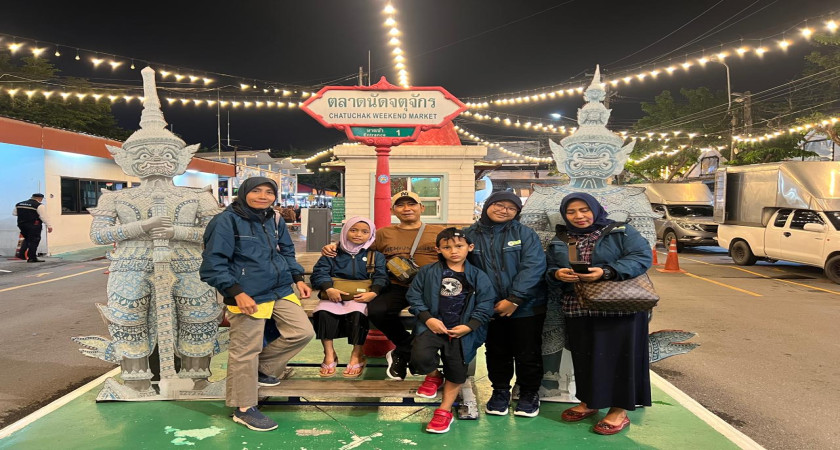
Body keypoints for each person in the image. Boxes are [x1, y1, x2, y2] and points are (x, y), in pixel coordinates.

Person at [200, 177, 315, 432]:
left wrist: (298, 278)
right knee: (245, 351)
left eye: (268, 192)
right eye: (256, 191)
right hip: (247, 293)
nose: (263, 196)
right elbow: (213, 264)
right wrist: (236, 292)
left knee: (302, 332)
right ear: (243, 193)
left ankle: (262, 369)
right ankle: (244, 408)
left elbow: (286, 252)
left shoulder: (274, 219)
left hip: (279, 289)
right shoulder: (226, 221)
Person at [546, 192, 653, 435]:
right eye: (571, 212)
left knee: (621, 358)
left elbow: (641, 257)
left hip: (620, 307)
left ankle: (619, 410)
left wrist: (606, 271)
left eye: (584, 210)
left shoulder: (621, 231)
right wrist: (557, 274)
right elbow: (550, 267)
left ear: (595, 209)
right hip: (579, 307)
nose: (578, 216)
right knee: (585, 357)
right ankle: (590, 401)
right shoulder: (561, 238)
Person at [322, 190, 445, 380]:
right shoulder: (383, 234)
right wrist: (334, 246)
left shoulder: (438, 232)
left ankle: (403, 354)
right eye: (400, 205)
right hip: (396, 285)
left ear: (421, 208)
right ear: (392, 211)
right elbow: (356, 246)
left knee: (447, 314)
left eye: (411, 204)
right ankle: (408, 348)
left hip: (430, 287)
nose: (406, 208)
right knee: (377, 310)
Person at [464, 191, 547, 417]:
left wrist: (514, 299)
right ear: (487, 205)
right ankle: (500, 391)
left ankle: (529, 393)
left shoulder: (525, 234)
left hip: (527, 306)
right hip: (490, 307)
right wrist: (485, 301)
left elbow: (534, 266)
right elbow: (463, 268)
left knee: (528, 352)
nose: (504, 210)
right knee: (496, 351)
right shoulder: (469, 235)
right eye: (499, 205)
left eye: (511, 208)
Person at [407, 228, 495, 433]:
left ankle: (444, 411)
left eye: (459, 246)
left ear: (469, 247)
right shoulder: (427, 272)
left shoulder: (478, 276)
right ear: (438, 249)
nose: (453, 251)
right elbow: (414, 296)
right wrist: (428, 319)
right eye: (447, 247)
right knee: (419, 356)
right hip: (432, 326)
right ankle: (434, 375)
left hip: (461, 332)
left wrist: (470, 326)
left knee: (456, 371)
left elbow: (486, 303)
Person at [310, 217, 388, 377]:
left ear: (371, 235)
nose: (358, 234)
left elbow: (381, 276)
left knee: (358, 314)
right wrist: (328, 288)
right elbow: (319, 272)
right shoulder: (332, 253)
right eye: (353, 230)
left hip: (361, 296)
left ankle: (356, 354)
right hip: (333, 295)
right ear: (345, 231)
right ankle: (329, 353)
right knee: (323, 313)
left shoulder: (374, 256)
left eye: (364, 232)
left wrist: (373, 292)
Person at [13, 193, 52, 262]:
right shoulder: (39, 205)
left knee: (27, 239)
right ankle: (32, 258)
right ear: (39, 198)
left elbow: (15, 213)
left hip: (21, 225)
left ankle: (21, 255)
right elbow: (43, 217)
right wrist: (49, 226)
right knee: (34, 240)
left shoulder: (19, 204)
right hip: (34, 225)